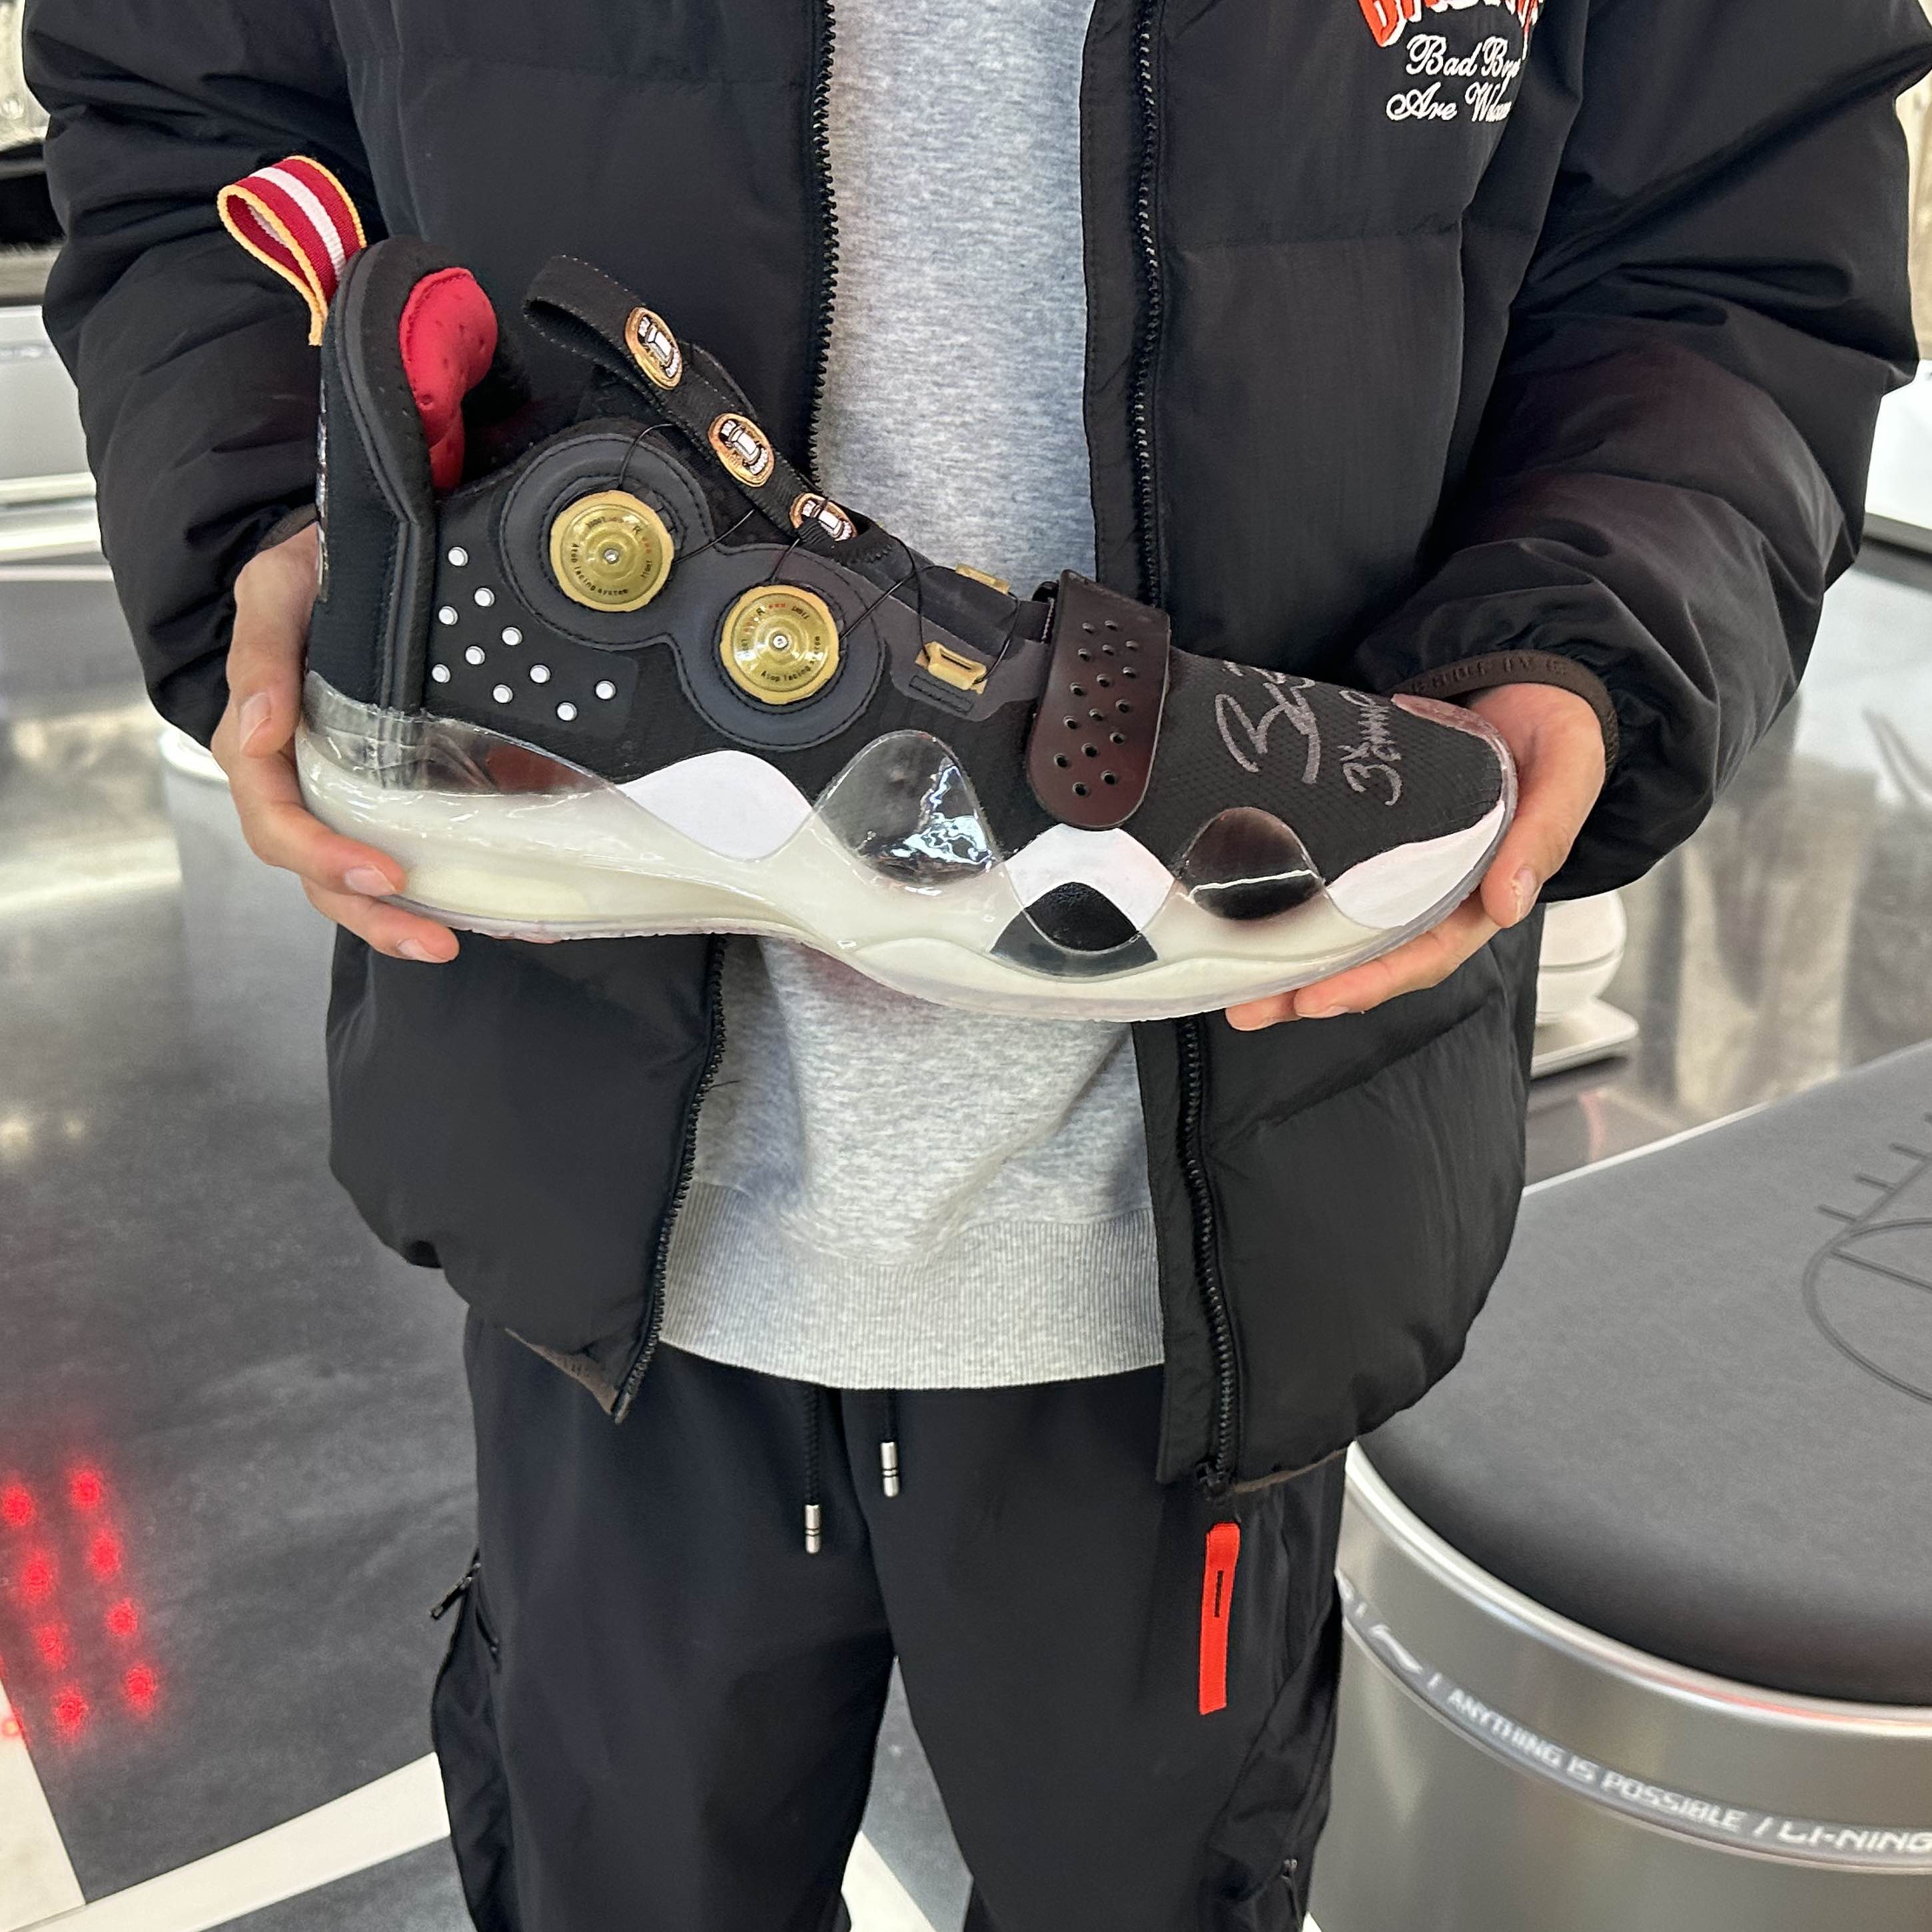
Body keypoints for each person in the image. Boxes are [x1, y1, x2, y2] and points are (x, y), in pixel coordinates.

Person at [26, 0, 1931, 1925]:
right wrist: (282, 512)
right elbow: (188, 110)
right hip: (586, 1149)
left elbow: (1730, 245)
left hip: (1224, 1208)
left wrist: (1585, 630)